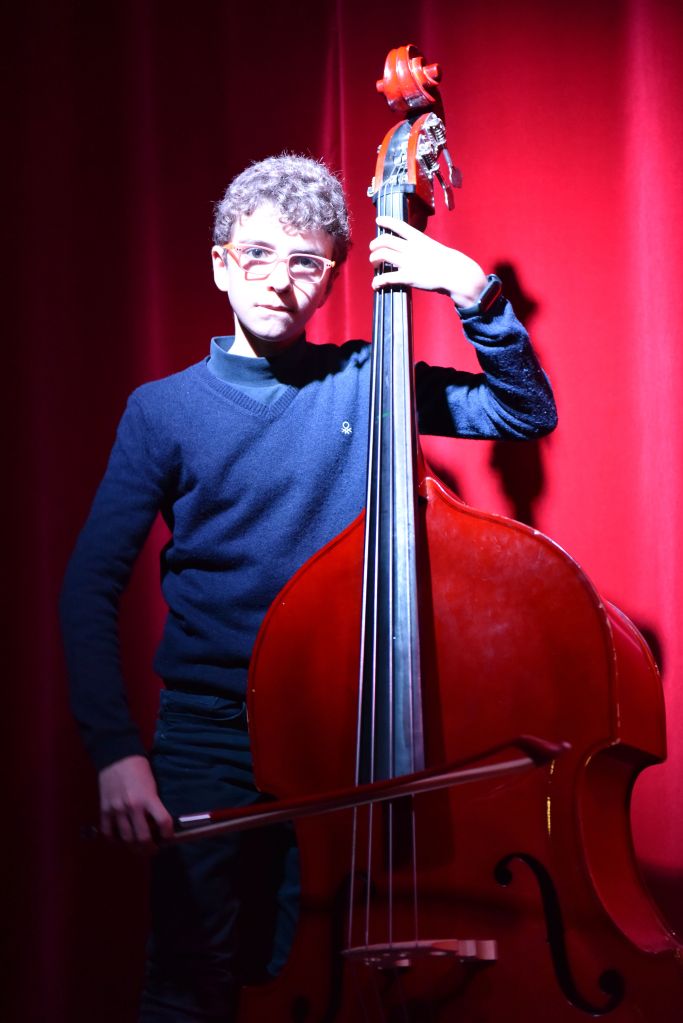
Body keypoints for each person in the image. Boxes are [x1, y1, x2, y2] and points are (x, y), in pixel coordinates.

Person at [60, 153, 557, 1021]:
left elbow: (523, 412)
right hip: (207, 733)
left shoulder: (369, 379)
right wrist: (115, 751)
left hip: (343, 736)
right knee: (189, 976)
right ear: (220, 265)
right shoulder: (161, 410)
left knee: (323, 960)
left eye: (304, 262)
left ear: (330, 282)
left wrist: (471, 290)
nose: (277, 280)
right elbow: (88, 588)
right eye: (255, 255)